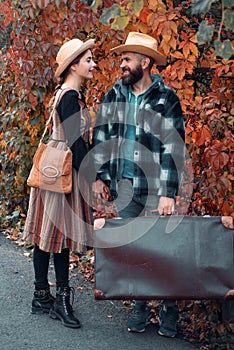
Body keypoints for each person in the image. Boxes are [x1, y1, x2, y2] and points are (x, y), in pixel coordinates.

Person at [92, 32, 185, 337]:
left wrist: (169, 193)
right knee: (137, 248)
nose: (122, 64)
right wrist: (102, 177)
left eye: (127, 58)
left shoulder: (166, 98)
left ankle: (170, 308)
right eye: (122, 58)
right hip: (126, 186)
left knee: (165, 249)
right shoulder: (114, 94)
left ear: (144, 62)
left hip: (157, 187)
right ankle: (141, 305)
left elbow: (173, 146)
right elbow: (102, 137)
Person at [23, 38, 96, 328]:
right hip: (62, 173)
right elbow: (76, 143)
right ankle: (60, 300)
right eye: (88, 59)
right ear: (74, 65)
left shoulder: (65, 93)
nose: (93, 64)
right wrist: (95, 177)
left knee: (46, 236)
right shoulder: (69, 96)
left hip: (53, 170)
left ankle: (42, 296)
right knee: (59, 239)